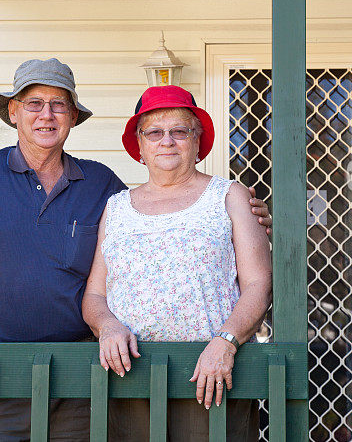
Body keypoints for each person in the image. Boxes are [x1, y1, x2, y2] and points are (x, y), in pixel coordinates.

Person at [0, 59, 272, 441]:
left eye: (58, 105)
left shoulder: (101, 185)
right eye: (34, 104)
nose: (46, 115)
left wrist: (247, 215)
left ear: (72, 117)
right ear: (14, 112)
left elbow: (166, 212)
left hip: (79, 379)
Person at [82, 85, 272, 441]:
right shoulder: (116, 208)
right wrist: (107, 326)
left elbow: (259, 285)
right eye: (154, 132)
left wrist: (226, 342)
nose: (166, 141)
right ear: (139, 146)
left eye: (179, 131)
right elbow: (94, 295)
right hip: (130, 377)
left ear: (198, 141)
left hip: (210, 374)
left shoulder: (230, 196)